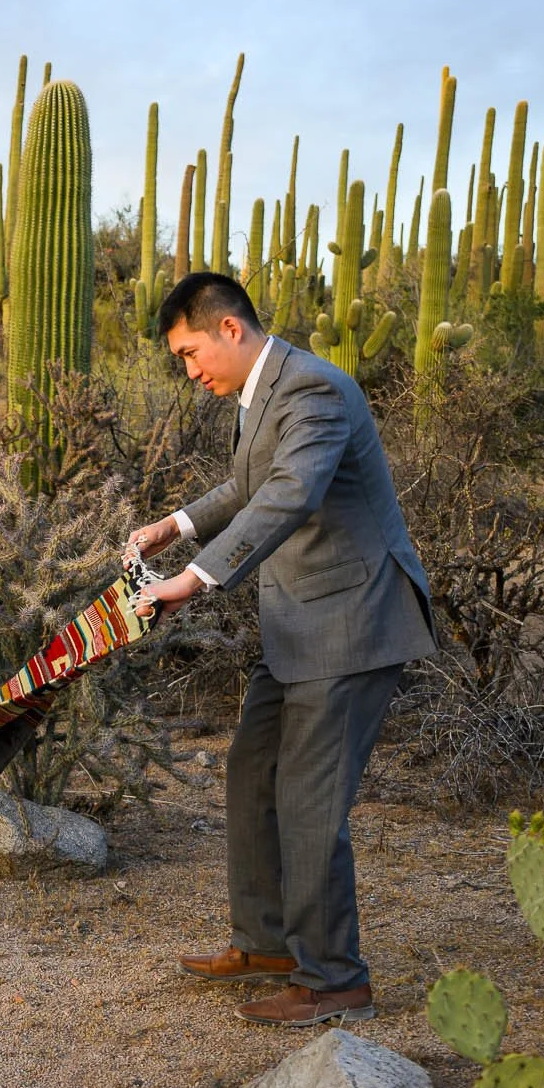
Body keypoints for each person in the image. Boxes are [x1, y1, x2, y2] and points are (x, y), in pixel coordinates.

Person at [125, 273, 435, 1027]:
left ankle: (334, 979)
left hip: (351, 619)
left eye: (191, 352)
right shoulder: (264, 392)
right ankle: (266, 942)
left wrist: (191, 581)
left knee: (308, 796)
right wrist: (177, 525)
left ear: (230, 329)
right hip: (300, 621)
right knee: (251, 766)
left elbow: (289, 491)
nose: (190, 371)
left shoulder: (315, 390)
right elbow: (245, 485)